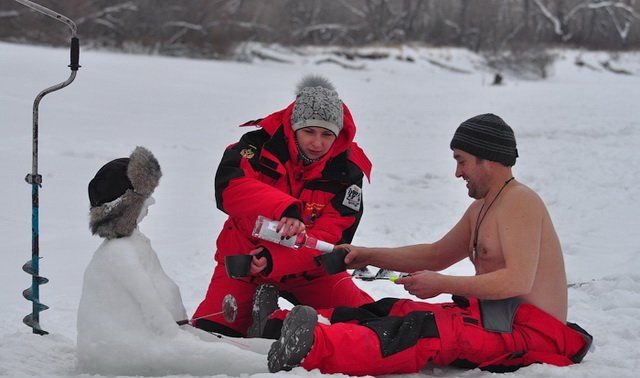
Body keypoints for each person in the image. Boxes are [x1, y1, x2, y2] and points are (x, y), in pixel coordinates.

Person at [263, 114, 593, 375]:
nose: (457, 172)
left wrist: (440, 284)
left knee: (422, 331)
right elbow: (436, 255)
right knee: (397, 309)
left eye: (462, 160)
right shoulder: (483, 206)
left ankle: (310, 346)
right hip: (495, 319)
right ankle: (276, 324)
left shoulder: (521, 201)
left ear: (488, 159)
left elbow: (516, 281)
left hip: (534, 334)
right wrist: (366, 253)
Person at [192, 75, 374, 337]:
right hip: (246, 264)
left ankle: (276, 325)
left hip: (310, 270)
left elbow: (334, 234)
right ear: (293, 126)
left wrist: (274, 258)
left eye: (326, 134)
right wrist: (286, 208)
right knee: (212, 334)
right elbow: (229, 191)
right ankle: (266, 323)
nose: (317, 143)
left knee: (366, 322)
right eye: (309, 131)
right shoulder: (254, 147)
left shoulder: (347, 169)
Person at [78, 147, 271, 375]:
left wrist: (183, 331)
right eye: (143, 197)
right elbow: (152, 310)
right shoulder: (118, 254)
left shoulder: (134, 244)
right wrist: (177, 336)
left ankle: (274, 348)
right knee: (211, 357)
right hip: (127, 351)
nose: (152, 202)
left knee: (222, 343)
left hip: (162, 334)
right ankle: (273, 365)